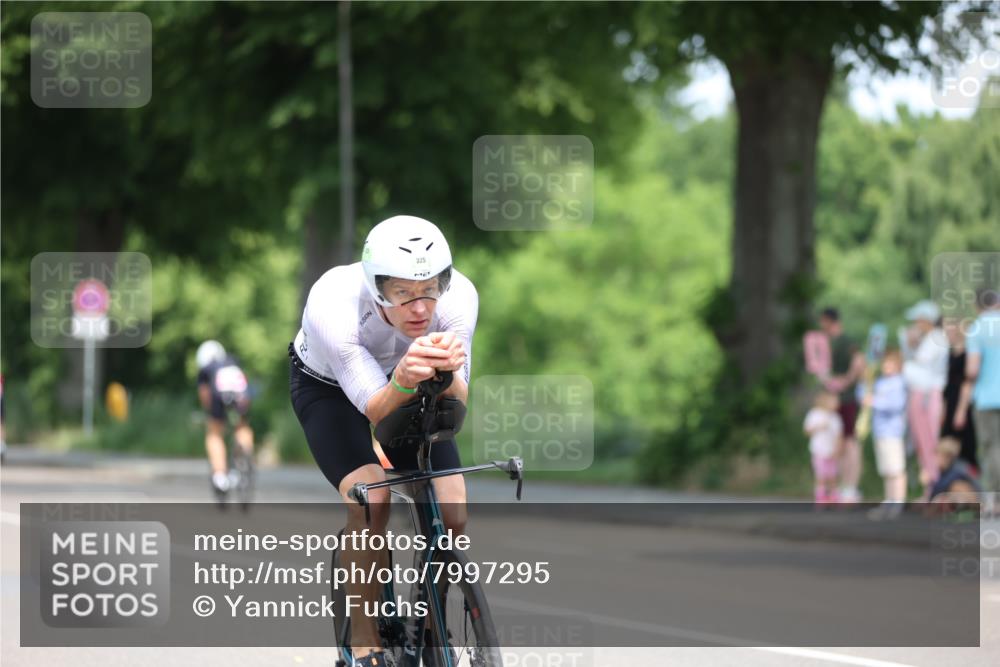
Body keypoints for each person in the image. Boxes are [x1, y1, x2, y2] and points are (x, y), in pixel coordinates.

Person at [289, 215, 477, 667]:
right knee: (371, 498)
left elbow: (459, 400)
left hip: (407, 377)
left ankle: (429, 624)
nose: (420, 307)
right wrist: (407, 378)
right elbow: (375, 408)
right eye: (404, 293)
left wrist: (448, 376)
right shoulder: (334, 302)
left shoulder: (460, 299)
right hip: (330, 387)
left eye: (430, 288)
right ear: (377, 288)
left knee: (453, 509)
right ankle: (364, 641)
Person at [196, 340, 255, 502]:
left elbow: (205, 396)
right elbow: (244, 381)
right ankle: (245, 453)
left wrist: (211, 414)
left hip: (218, 392)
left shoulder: (206, 369)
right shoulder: (232, 360)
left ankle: (220, 476)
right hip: (240, 391)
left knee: (214, 433)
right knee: (242, 426)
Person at [901, 300, 949, 498]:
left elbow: (919, 364)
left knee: (930, 441)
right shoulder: (930, 338)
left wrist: (910, 344)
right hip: (920, 394)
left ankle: (936, 487)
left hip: (927, 396)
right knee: (922, 442)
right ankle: (930, 486)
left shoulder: (936, 338)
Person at [819, 308, 866, 502]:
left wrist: (846, 380)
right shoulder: (826, 342)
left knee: (850, 441)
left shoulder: (846, 341)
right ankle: (836, 486)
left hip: (847, 399)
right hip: (833, 400)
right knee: (835, 442)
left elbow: (859, 362)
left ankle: (851, 486)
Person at [956, 287, 1000, 491]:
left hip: (987, 398)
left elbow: (972, 370)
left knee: (992, 448)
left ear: (976, 305)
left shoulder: (976, 328)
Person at [864, 350, 908, 519]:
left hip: (892, 431)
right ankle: (890, 498)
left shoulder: (898, 383)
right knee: (887, 469)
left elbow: (896, 405)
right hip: (880, 431)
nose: (886, 366)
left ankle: (898, 501)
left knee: (896, 468)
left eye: (890, 363)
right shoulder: (881, 382)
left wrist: (875, 402)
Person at [941, 318, 977, 470]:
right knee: (946, 444)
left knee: (965, 445)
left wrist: (961, 410)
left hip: (962, 403)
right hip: (949, 401)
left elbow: (967, 383)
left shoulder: (968, 354)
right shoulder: (949, 354)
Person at [803, 391, 842, 505]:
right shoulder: (814, 414)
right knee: (820, 475)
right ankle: (821, 496)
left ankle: (834, 495)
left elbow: (838, 435)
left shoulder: (835, 418)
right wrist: (819, 427)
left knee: (832, 475)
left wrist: (837, 449)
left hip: (831, 452)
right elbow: (807, 431)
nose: (836, 404)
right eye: (833, 401)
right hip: (819, 451)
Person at [928, 436, 981, 502]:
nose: (935, 459)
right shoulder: (947, 470)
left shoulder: (957, 468)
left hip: (978, 501)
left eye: (938, 455)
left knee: (955, 487)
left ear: (946, 456)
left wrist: (929, 482)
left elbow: (939, 488)